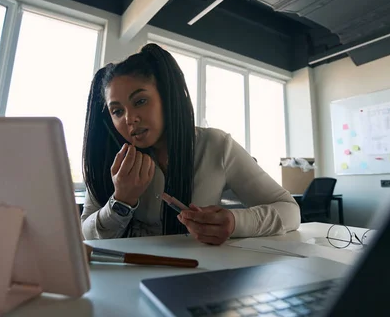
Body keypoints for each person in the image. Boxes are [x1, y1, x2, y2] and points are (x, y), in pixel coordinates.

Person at [81, 43, 300, 245]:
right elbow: (87, 234)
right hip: (124, 273)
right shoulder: (110, 156)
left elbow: (290, 210)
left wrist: (235, 222)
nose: (129, 119)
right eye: (117, 111)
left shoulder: (216, 145)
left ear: (166, 97)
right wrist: (121, 200)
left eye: (140, 101)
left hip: (197, 272)